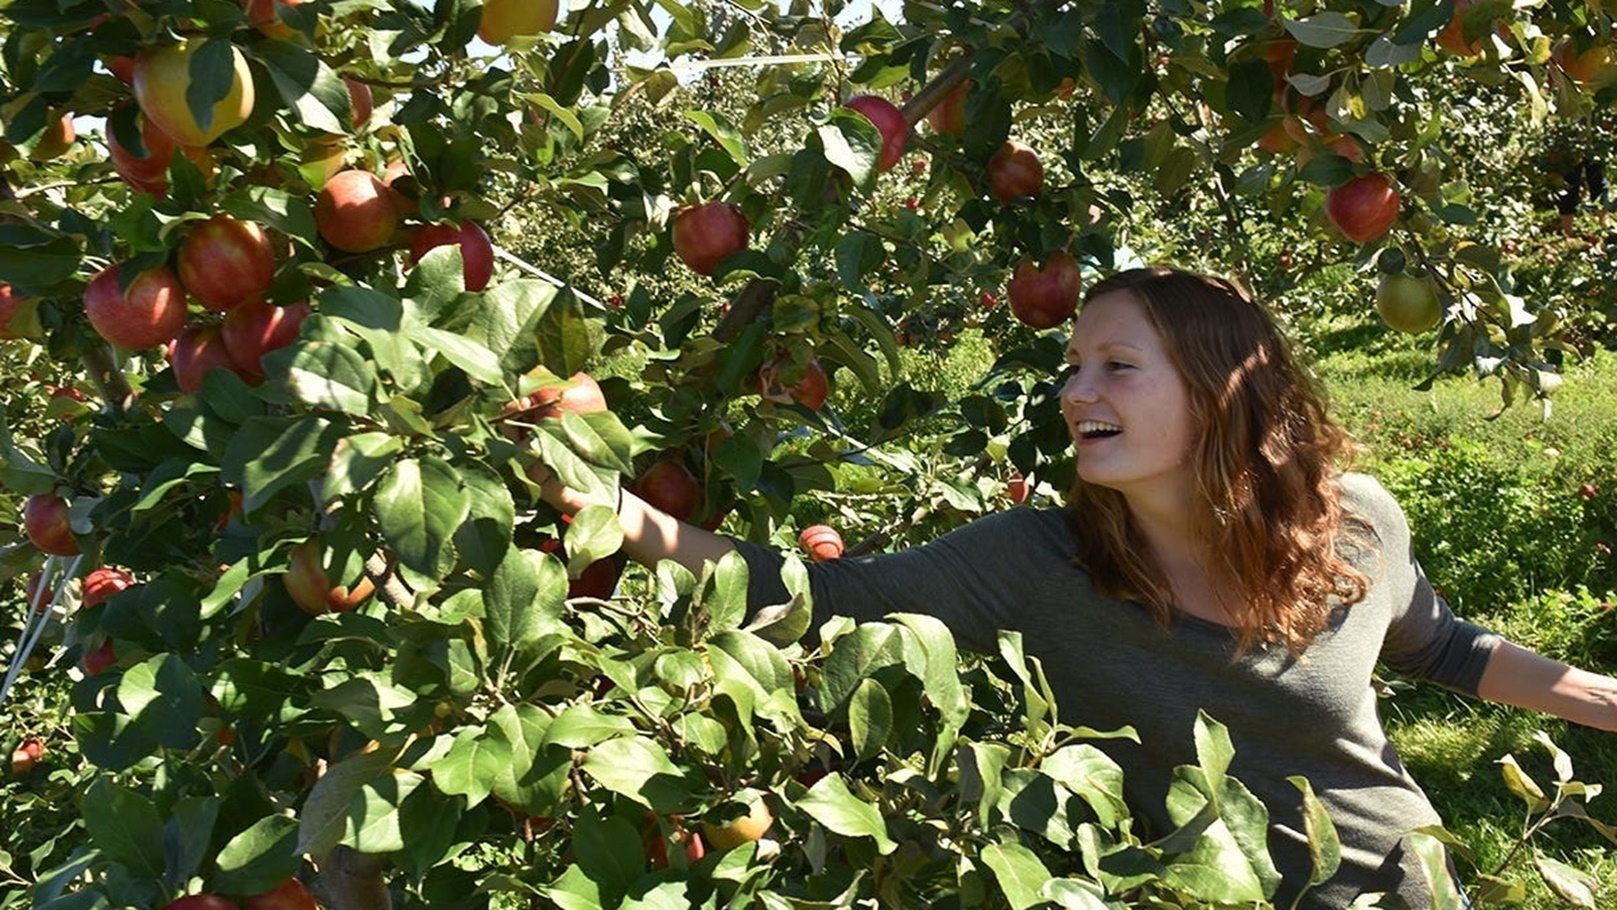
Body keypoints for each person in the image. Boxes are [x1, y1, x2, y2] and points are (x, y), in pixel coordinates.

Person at [536, 266, 1617, 909]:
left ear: (1219, 390)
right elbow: (827, 597)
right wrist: (616, 509)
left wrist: (1602, 697)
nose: (1072, 392)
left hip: (1397, 886)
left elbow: (1438, 646)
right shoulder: (1040, 563)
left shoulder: (1358, 521)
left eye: (1115, 365)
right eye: (1072, 365)